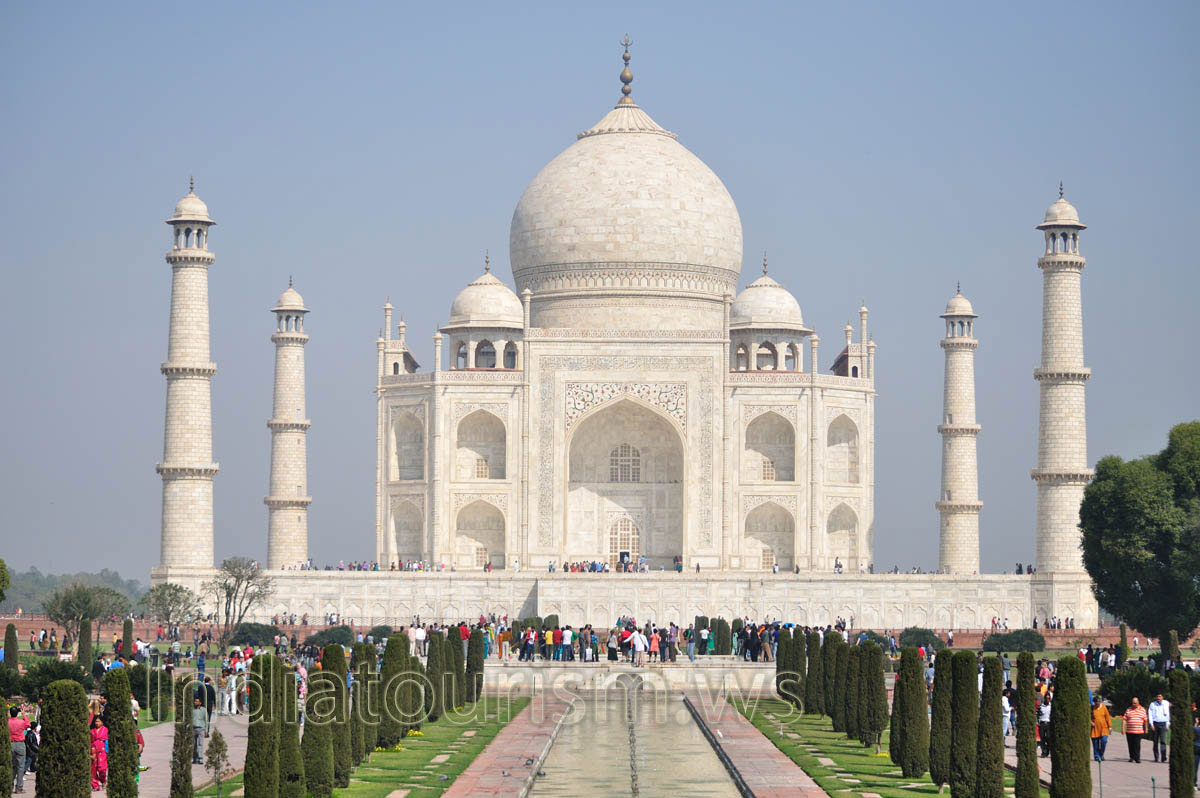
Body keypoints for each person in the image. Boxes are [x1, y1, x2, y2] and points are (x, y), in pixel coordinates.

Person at [10, 706, 30, 794]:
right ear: (17, 713)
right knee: (21, 766)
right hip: (20, 744)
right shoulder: (21, 722)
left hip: (10, 744)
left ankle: (9, 785)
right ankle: (19, 787)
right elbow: (28, 725)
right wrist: (24, 714)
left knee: (12, 766)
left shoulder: (8, 722)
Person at [1123, 696, 1148, 763]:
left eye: (1135, 703)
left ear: (1138, 702)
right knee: (1130, 745)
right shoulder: (1128, 710)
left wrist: (1146, 728)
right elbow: (1124, 719)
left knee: (1137, 745)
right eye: (1133, 703)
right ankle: (1131, 757)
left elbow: (1145, 720)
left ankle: (1137, 758)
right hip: (1129, 731)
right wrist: (1123, 728)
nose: (1133, 704)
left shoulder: (1142, 710)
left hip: (1138, 731)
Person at [1148, 692, 1171, 763]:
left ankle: (1163, 757)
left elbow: (1168, 714)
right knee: (1155, 741)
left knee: (1163, 741)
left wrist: (1167, 725)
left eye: (1160, 696)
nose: (1159, 698)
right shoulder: (1152, 704)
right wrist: (1151, 724)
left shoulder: (1166, 703)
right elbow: (1150, 714)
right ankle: (1156, 757)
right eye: (1157, 696)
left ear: (1162, 697)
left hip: (1163, 724)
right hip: (1155, 724)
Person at [90, 715, 109, 791]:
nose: (97, 723)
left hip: (102, 751)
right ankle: (95, 786)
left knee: (102, 769)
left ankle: (103, 781)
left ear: (102, 722)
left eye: (98, 721)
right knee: (93, 769)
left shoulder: (106, 730)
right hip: (93, 750)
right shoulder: (92, 731)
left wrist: (108, 751)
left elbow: (107, 741)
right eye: (96, 721)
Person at [1090, 696, 1112, 762]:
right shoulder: (1092, 708)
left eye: (1099, 703)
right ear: (1094, 702)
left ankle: (1101, 754)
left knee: (1104, 741)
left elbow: (1107, 717)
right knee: (1095, 744)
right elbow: (1088, 716)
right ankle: (1097, 756)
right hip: (1095, 729)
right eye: (1096, 703)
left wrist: (1110, 726)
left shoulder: (1104, 707)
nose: (1098, 704)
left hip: (1104, 728)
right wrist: (1090, 722)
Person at [191, 696, 209, 764]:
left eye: (196, 701)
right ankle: (194, 758)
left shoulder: (204, 710)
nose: (195, 702)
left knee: (200, 744)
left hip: (201, 729)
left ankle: (200, 758)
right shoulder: (192, 710)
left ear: (200, 703)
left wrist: (206, 731)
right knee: (193, 744)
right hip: (193, 729)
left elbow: (206, 720)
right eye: (195, 701)